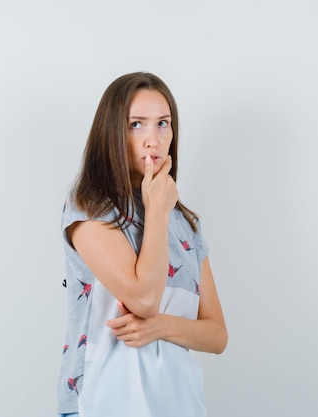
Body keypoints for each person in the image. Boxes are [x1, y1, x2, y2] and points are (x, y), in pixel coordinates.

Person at [56, 72, 228, 417]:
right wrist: (157, 212)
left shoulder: (186, 224)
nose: (153, 139)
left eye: (163, 123)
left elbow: (217, 335)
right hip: (104, 402)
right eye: (136, 124)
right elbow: (144, 299)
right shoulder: (91, 209)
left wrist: (160, 327)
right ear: (112, 133)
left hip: (177, 402)